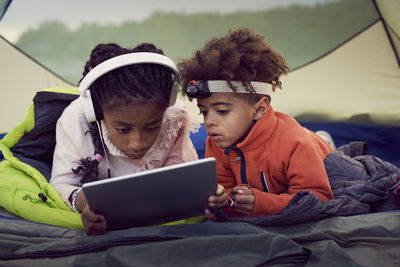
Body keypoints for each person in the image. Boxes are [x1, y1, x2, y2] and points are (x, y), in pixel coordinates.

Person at [177, 28, 334, 220]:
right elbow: (225, 191)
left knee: (339, 171)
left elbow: (320, 198)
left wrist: (262, 203)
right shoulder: (217, 142)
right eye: (204, 111)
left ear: (259, 109)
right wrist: (221, 201)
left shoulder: (294, 143)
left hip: (315, 151)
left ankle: (324, 142)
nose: (209, 122)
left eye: (222, 111)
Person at [50, 42, 199, 234]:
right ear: (96, 111)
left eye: (152, 127)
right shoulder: (75, 120)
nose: (138, 144)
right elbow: (62, 184)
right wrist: (83, 201)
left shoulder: (174, 118)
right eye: (122, 130)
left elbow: (182, 177)